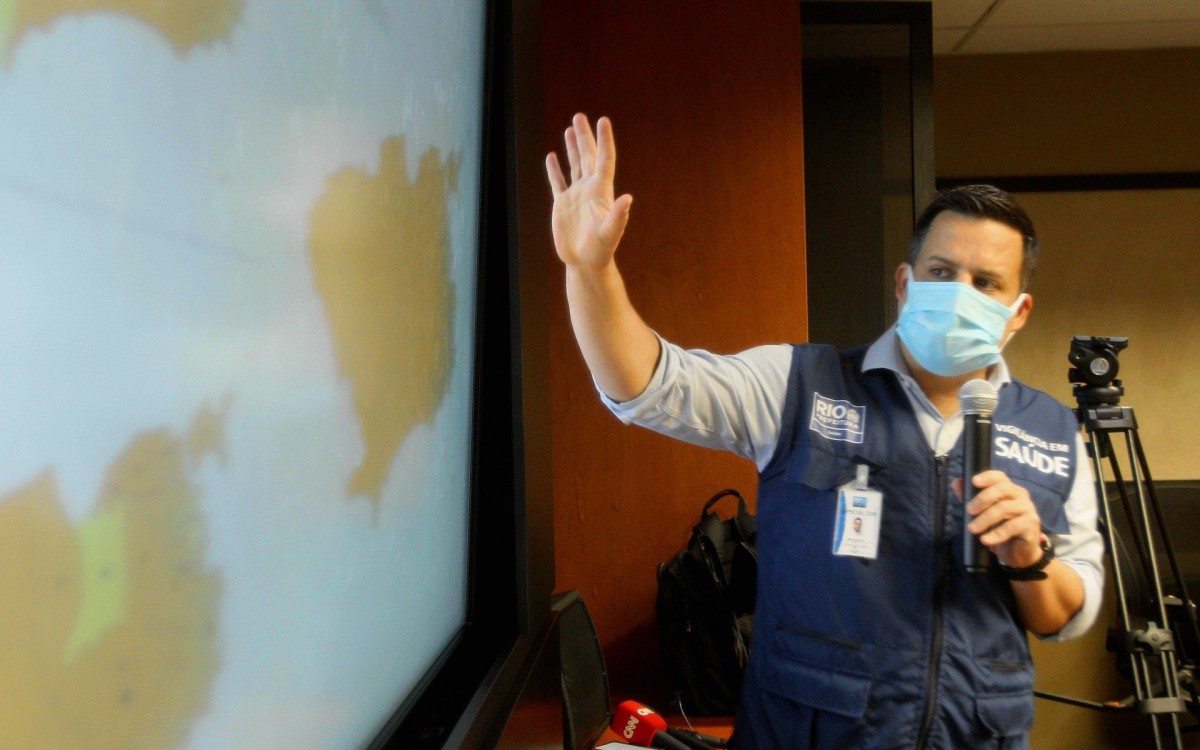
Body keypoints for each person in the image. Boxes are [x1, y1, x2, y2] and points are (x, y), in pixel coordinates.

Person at [545, 114, 1104, 749]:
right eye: (942, 273)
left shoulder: (1054, 432)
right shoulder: (801, 386)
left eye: (986, 283)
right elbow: (648, 385)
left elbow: (1068, 615)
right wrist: (590, 271)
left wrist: (1030, 556)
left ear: (1018, 311)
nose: (959, 294)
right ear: (905, 284)